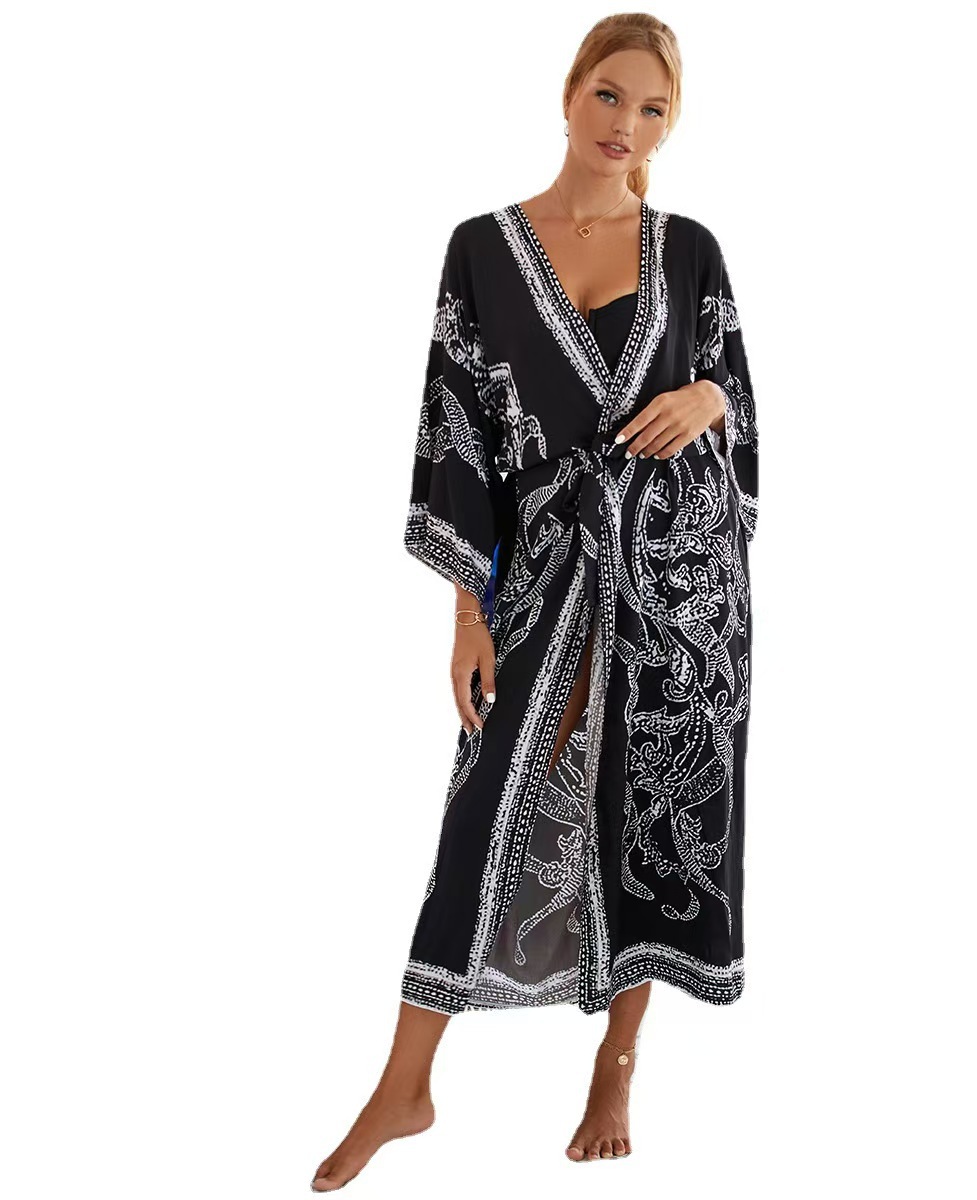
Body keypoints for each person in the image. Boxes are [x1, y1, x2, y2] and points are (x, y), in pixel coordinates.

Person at [311, 14, 759, 1189]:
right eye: (610, 96)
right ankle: (405, 1086)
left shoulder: (691, 250)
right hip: (544, 577)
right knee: (483, 807)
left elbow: (733, 389)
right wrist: (469, 609)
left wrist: (709, 399)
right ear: (569, 94)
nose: (626, 126)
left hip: (679, 582)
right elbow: (456, 431)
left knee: (648, 807)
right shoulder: (481, 248)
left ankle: (619, 1060)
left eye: (653, 110)